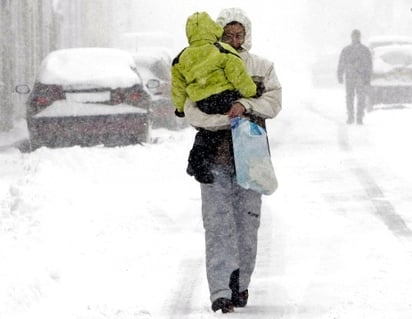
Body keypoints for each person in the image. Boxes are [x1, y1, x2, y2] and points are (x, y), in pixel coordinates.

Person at [182, 8, 282, 313]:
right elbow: (191, 110)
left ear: (247, 35)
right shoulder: (200, 63)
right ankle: (220, 291)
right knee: (216, 224)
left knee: (247, 223)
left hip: (251, 154)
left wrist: (244, 105)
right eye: (228, 34)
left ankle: (241, 285)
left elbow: (273, 102)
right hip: (212, 155)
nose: (235, 40)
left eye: (240, 35)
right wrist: (225, 122)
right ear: (219, 33)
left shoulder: (262, 66)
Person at [171, 11, 258, 118]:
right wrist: (251, 91)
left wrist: (180, 108)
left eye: (238, 36)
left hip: (203, 103)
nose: (234, 41)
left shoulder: (180, 58)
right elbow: (238, 75)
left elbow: (178, 87)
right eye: (228, 36)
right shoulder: (221, 50)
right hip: (226, 97)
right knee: (258, 87)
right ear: (214, 30)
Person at [337, 29, 373, 125]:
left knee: (360, 98)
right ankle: (350, 117)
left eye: (357, 36)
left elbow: (369, 65)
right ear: (351, 37)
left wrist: (368, 78)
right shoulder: (347, 50)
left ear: (359, 37)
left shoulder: (364, 50)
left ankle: (359, 117)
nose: (355, 38)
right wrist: (340, 74)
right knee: (350, 97)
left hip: (360, 77)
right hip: (350, 77)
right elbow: (341, 63)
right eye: (354, 36)